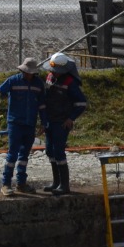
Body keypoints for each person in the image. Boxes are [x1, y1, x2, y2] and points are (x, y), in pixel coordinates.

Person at [0, 58, 46, 195]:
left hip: (30, 123)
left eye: (29, 72)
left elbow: (42, 105)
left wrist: (43, 122)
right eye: (25, 72)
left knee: (24, 155)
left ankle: (21, 183)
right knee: (12, 153)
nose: (27, 74)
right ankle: (6, 183)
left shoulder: (38, 84)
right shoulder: (13, 81)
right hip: (15, 123)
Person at [40, 52, 88, 195]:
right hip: (50, 120)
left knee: (58, 151)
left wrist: (71, 118)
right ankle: (56, 182)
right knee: (50, 151)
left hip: (61, 123)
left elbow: (81, 103)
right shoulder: (50, 77)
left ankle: (64, 185)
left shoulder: (70, 82)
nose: (53, 72)